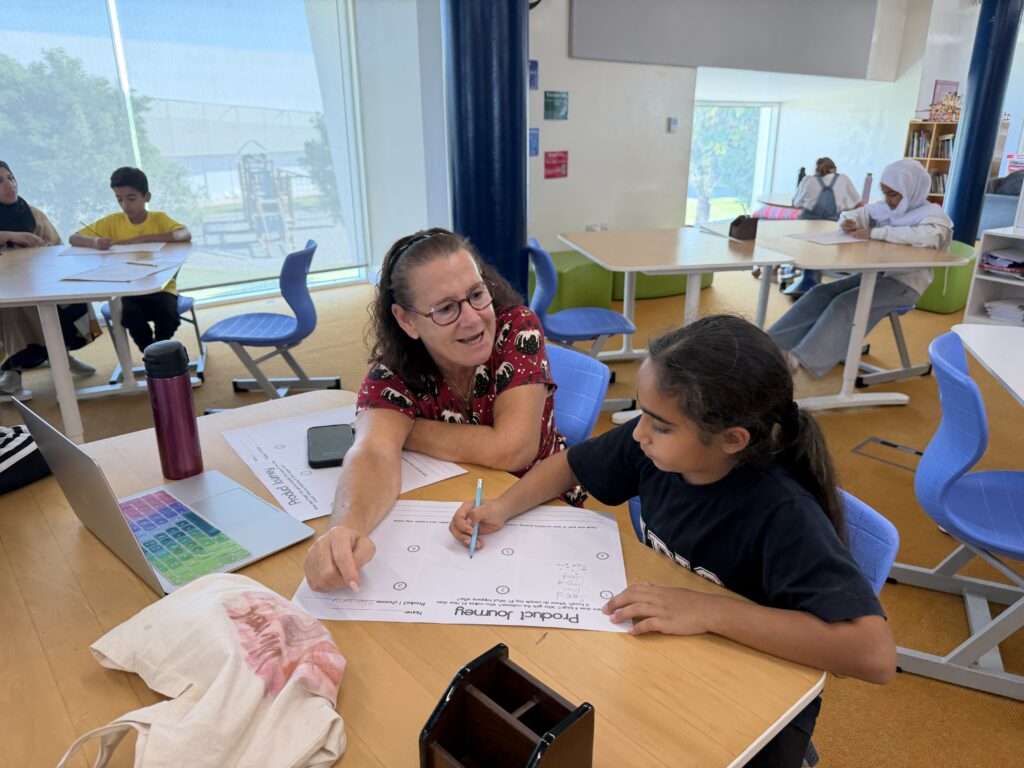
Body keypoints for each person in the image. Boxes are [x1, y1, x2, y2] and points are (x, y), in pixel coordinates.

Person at [449, 315, 896, 768]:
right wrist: (502, 507)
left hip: (756, 695)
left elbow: (874, 655)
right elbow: (570, 465)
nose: (638, 433)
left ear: (732, 440)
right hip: (669, 658)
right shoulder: (654, 447)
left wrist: (708, 611)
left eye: (660, 426)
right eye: (642, 413)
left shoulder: (784, 514)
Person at [303, 227, 584, 592]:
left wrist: (409, 429)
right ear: (406, 321)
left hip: (542, 504)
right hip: (459, 513)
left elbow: (513, 449)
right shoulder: (393, 373)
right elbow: (373, 452)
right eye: (446, 309)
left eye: (477, 294)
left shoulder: (517, 328)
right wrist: (346, 528)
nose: (473, 319)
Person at [769, 159, 952, 378]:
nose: (888, 200)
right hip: (875, 274)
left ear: (911, 190)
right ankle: (768, 345)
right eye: (884, 193)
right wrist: (847, 221)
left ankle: (799, 360)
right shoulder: (885, 208)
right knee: (820, 293)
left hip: (905, 284)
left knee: (844, 304)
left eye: (893, 195)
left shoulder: (933, 216)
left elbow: (926, 238)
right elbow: (856, 214)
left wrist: (876, 233)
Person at [0, 161, 99, 396]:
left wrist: (42, 249)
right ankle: (13, 370)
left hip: (39, 278)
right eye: (0, 182)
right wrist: (11, 236)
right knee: (14, 311)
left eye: (10, 178)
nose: (9, 185)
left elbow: (56, 245)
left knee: (70, 295)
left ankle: (61, 354)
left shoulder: (32, 212)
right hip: (6, 286)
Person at [70, 167, 191, 353]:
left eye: (131, 198)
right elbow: (74, 238)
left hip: (162, 287)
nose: (125, 205)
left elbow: (185, 234)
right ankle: (152, 355)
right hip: (129, 289)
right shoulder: (113, 221)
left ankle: (158, 353)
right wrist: (95, 242)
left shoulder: (158, 219)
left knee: (167, 316)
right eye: (119, 199)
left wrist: (143, 239)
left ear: (147, 197)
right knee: (131, 316)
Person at [793, 156, 861, 220]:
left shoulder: (807, 179)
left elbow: (796, 204)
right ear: (834, 169)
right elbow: (858, 204)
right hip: (832, 223)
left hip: (806, 222)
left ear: (817, 169)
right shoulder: (843, 179)